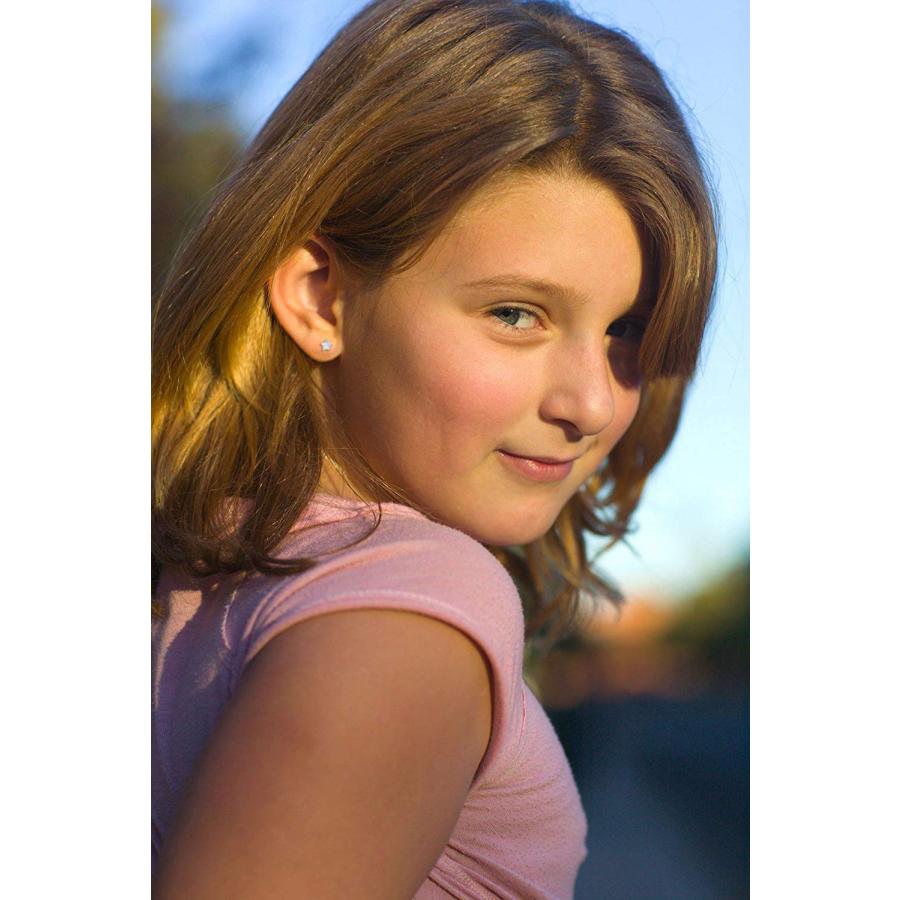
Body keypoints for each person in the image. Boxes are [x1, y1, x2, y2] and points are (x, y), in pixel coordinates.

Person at [151, 0, 717, 896]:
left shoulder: (195, 573)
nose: (592, 403)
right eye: (516, 314)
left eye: (627, 332)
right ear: (320, 295)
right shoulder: (417, 609)